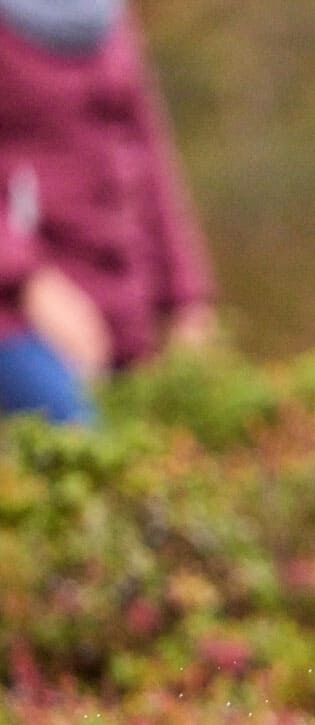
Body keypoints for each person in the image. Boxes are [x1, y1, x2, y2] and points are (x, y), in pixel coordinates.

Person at [0, 0, 215, 424]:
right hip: (18, 312)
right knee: (82, 437)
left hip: (118, 308)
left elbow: (149, 156)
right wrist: (31, 284)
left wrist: (187, 300)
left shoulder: (107, 16)